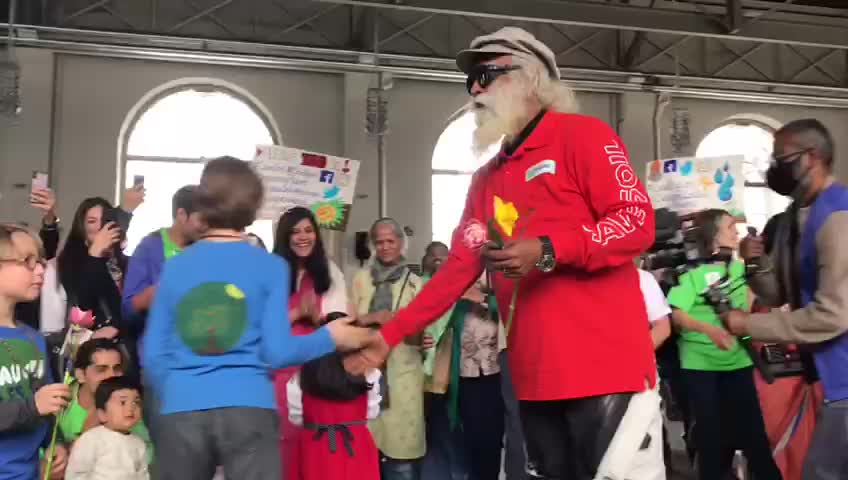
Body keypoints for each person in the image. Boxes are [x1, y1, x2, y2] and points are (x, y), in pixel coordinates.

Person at [346, 27, 661, 479]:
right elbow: (457, 269)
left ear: (531, 78)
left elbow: (637, 221)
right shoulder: (486, 180)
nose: (475, 90)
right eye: (469, 80)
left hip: (608, 370)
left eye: (486, 75)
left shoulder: (585, 136)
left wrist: (549, 248)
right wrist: (389, 335)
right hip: (534, 379)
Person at [141, 156, 374, 480]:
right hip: (248, 407)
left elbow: (153, 356)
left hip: (182, 409)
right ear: (253, 206)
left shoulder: (176, 266)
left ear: (202, 205)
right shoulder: (269, 266)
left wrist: (177, 396)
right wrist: (331, 337)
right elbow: (277, 352)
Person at [723, 118, 848, 479]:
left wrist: (749, 324)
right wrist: (755, 262)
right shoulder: (794, 216)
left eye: (783, 159)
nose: (775, 168)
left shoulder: (838, 216)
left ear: (813, 157)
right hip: (824, 374)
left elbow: (833, 314)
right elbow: (779, 293)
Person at [666, 209, 781, 479]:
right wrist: (709, 330)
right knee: (711, 437)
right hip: (700, 366)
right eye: (730, 227)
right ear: (714, 236)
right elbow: (677, 315)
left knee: (754, 434)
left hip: (739, 361)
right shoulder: (691, 273)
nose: (736, 233)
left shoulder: (741, 270)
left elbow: (757, 301)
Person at [271, 206, 349, 480]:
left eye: (308, 230)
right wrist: (296, 313)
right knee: (283, 448)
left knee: (314, 447)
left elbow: (340, 325)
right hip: (278, 373)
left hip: (317, 371)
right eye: (295, 232)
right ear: (285, 237)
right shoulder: (271, 273)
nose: (303, 237)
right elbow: (259, 329)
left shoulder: (330, 271)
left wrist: (318, 319)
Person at [121, 185, 204, 439]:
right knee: (164, 442)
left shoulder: (207, 250)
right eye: (201, 218)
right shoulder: (150, 248)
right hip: (160, 367)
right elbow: (127, 309)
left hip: (200, 366)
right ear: (181, 214)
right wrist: (150, 296)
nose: (207, 225)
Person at [350, 217, 425, 480]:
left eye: (390, 241)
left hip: (402, 377)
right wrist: (373, 318)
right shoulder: (360, 280)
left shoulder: (415, 283)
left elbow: (421, 336)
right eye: (379, 242)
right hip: (365, 376)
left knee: (402, 462)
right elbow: (347, 324)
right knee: (366, 455)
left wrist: (405, 326)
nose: (385, 247)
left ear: (401, 243)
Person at [0, 223, 68, 480]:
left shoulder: (34, 339)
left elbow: (45, 402)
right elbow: (37, 404)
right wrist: (34, 406)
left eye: (40, 261)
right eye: (27, 261)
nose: (40, 270)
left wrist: (54, 441)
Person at [286, 312, 382, 480]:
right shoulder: (368, 372)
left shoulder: (302, 375)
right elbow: (372, 412)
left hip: (314, 450)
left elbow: (296, 416)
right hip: (356, 447)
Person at [58, 339, 153, 463]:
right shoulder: (60, 400)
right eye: (101, 369)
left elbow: (146, 454)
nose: (111, 376)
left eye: (117, 368)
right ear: (81, 375)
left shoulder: (126, 399)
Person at [65, 376, 149, 479]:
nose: (131, 408)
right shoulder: (91, 439)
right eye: (123, 402)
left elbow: (143, 476)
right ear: (102, 414)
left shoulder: (139, 444)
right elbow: (75, 474)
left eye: (136, 402)